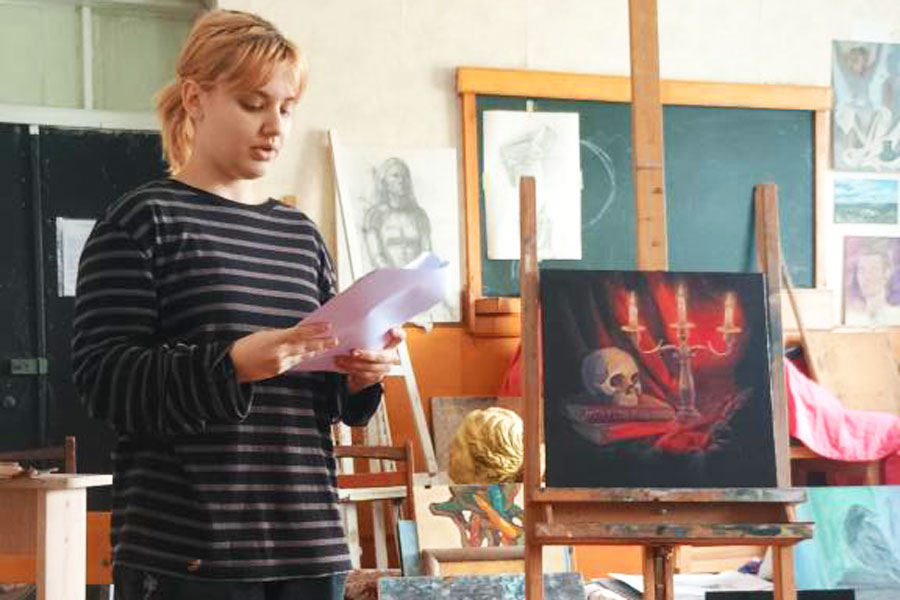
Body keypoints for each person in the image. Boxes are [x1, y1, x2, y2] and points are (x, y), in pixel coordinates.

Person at [71, 10, 403, 600]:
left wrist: (358, 377)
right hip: (189, 556)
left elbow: (323, 404)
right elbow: (104, 382)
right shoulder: (142, 222)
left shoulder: (301, 237)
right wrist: (232, 365)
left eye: (287, 108)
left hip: (310, 548)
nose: (275, 127)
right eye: (254, 104)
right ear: (195, 99)